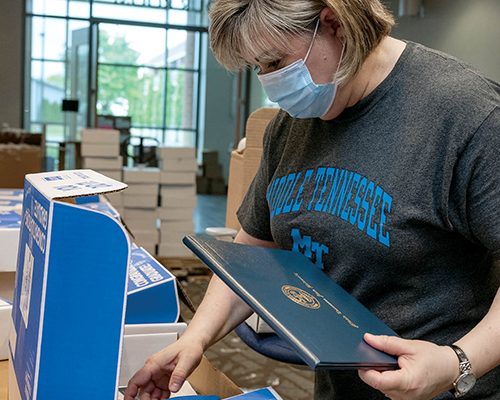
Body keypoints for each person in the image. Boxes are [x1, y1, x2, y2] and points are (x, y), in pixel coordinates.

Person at [125, 0, 500, 399]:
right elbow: (252, 257)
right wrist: (193, 339)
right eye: (258, 67)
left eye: (275, 62)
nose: (269, 83)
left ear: (334, 24)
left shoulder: (466, 115)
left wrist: (457, 362)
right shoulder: (293, 125)